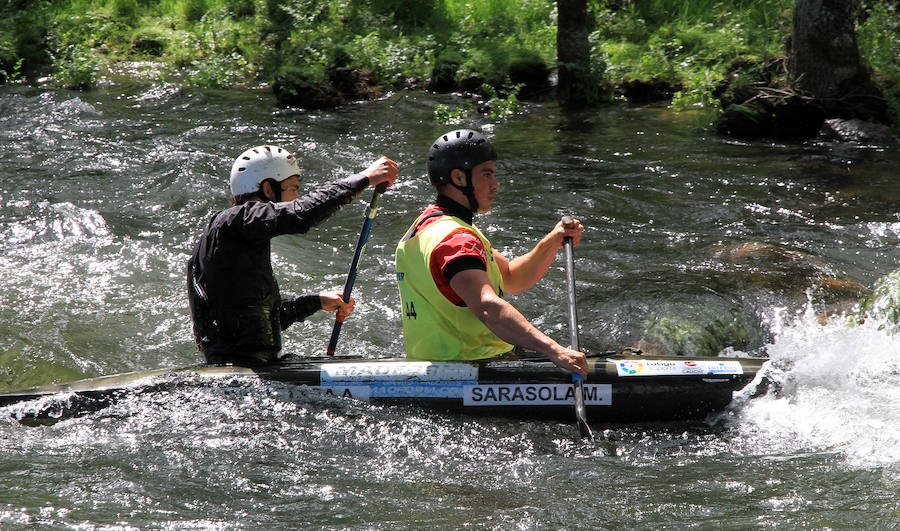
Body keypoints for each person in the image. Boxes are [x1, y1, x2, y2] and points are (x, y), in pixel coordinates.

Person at [395, 130, 588, 377]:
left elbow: (511, 278)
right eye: (487, 175)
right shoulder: (456, 240)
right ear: (459, 178)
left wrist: (552, 242)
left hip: (438, 364)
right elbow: (487, 306)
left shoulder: (432, 225)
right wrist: (554, 350)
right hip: (473, 367)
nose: (495, 185)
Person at [188, 145, 398, 365]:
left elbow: (262, 325)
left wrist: (316, 302)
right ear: (268, 189)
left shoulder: (237, 237)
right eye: (293, 188)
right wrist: (364, 178)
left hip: (252, 363)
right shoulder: (235, 221)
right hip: (240, 366)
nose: (298, 196)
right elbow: (300, 214)